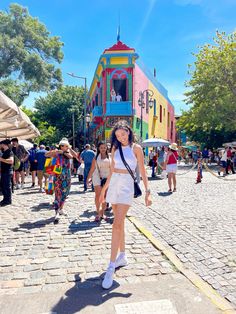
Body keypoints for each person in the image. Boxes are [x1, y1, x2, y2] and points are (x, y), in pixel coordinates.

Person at [99, 120, 152, 289]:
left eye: (123, 134)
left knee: (116, 224)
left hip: (127, 185)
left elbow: (142, 171)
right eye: (117, 135)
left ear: (128, 132)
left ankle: (111, 265)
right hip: (115, 183)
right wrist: (103, 190)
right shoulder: (115, 149)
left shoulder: (136, 149)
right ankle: (122, 255)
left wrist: (148, 192)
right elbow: (112, 171)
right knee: (119, 223)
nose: (121, 137)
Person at [45, 138, 73, 224]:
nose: (65, 147)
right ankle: (57, 212)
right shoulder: (56, 152)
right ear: (60, 146)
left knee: (65, 193)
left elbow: (71, 156)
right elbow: (46, 154)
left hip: (67, 176)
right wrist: (56, 152)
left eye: (66, 146)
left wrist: (64, 152)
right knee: (58, 193)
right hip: (58, 175)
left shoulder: (67, 153)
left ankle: (61, 209)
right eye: (63, 146)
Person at [86, 141, 111, 222]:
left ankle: (102, 213)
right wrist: (88, 178)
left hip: (107, 177)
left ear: (106, 148)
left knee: (105, 196)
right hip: (97, 177)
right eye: (101, 148)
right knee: (98, 195)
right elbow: (92, 169)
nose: (103, 149)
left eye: (104, 147)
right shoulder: (96, 158)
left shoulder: (110, 157)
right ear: (98, 148)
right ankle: (98, 213)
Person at [0, 140, 14, 206]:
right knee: (4, 186)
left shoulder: (9, 152)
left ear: (3, 144)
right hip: (4, 171)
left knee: (7, 186)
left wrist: (1, 159)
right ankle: (5, 199)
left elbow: (11, 161)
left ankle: (8, 200)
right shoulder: (5, 152)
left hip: (7, 171)